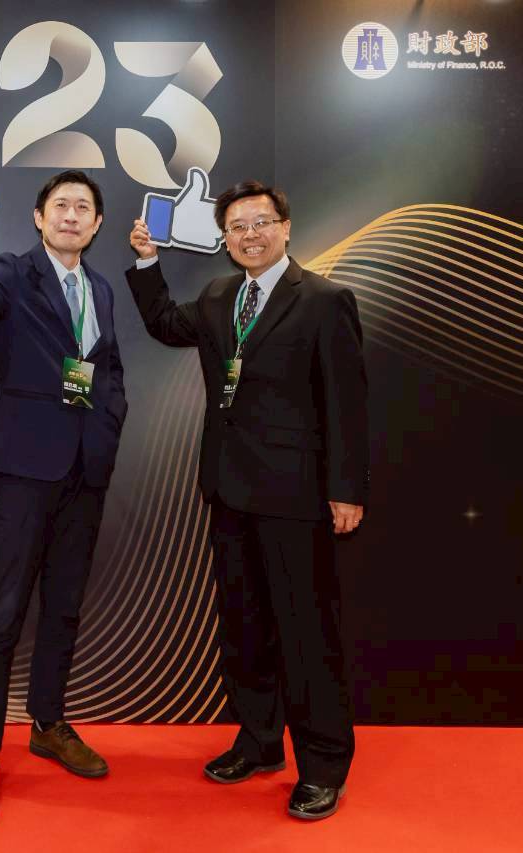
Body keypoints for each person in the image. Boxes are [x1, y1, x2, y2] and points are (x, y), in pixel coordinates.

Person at [125, 180, 368, 820]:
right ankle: (259, 743)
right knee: (244, 627)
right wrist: (147, 263)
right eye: (236, 226)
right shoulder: (218, 295)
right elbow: (165, 324)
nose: (249, 235)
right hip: (229, 489)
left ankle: (323, 765)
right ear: (225, 238)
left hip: (297, 495)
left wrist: (346, 489)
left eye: (261, 222)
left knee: (306, 633)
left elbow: (347, 402)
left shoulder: (324, 300)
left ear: (286, 227)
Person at [0, 170, 128, 822]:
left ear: (97, 224)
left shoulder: (101, 287)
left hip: (85, 471)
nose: (72, 215)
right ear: (40, 217)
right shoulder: (11, 272)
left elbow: (110, 369)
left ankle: (48, 723)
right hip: (22, 467)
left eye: (83, 207)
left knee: (64, 607)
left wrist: (108, 428)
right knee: (4, 613)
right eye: (60, 205)